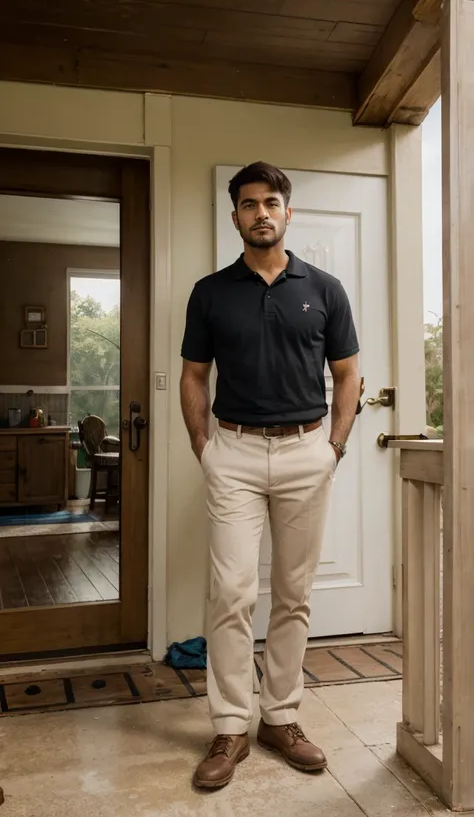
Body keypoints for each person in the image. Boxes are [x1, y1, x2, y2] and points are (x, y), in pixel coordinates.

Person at [180, 161, 361, 790]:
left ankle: (280, 717)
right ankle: (231, 725)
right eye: (249, 204)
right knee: (230, 593)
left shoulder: (326, 289)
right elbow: (194, 375)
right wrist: (205, 446)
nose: (261, 212)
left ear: (288, 213)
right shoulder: (210, 292)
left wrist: (334, 446)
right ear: (235, 217)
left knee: (293, 593)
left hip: (307, 454)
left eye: (272, 202)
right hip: (232, 453)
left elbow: (347, 373)